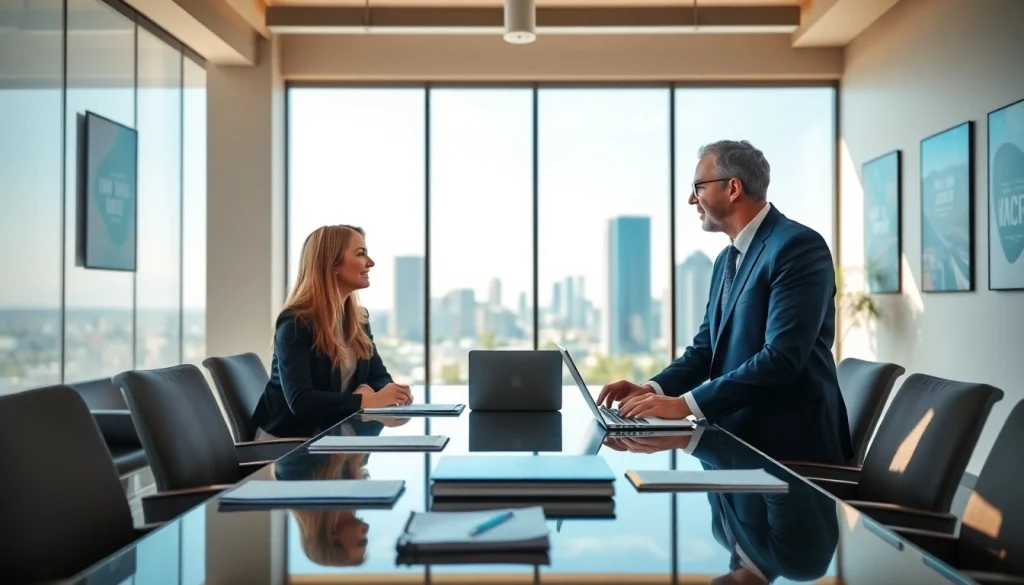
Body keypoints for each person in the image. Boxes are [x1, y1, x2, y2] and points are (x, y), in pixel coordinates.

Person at [597, 140, 852, 464]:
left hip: (789, 451)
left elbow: (781, 359)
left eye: (698, 187)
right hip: (731, 441)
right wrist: (653, 390)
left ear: (733, 188)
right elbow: (705, 350)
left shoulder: (797, 247)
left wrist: (684, 405)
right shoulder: (725, 260)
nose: (692, 199)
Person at [251, 224, 412, 439]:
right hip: (288, 445)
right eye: (361, 253)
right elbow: (302, 402)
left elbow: (379, 376)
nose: (370, 262)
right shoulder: (296, 322)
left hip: (334, 434)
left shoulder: (358, 319)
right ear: (333, 264)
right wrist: (367, 400)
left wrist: (391, 393)